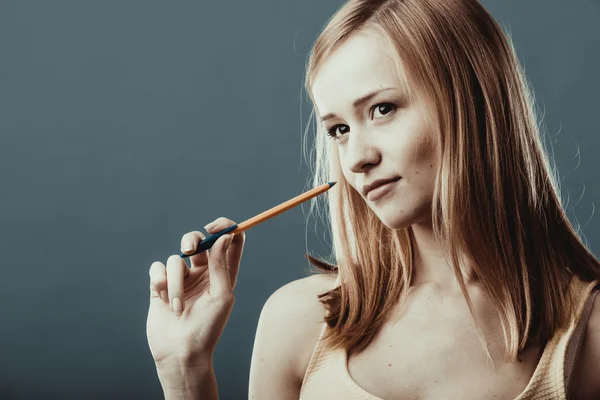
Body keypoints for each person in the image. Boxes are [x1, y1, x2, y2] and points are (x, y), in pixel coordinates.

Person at [146, 0, 600, 398]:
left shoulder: (588, 335)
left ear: (470, 100)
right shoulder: (298, 321)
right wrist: (185, 372)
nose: (356, 159)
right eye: (339, 130)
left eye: (382, 109)